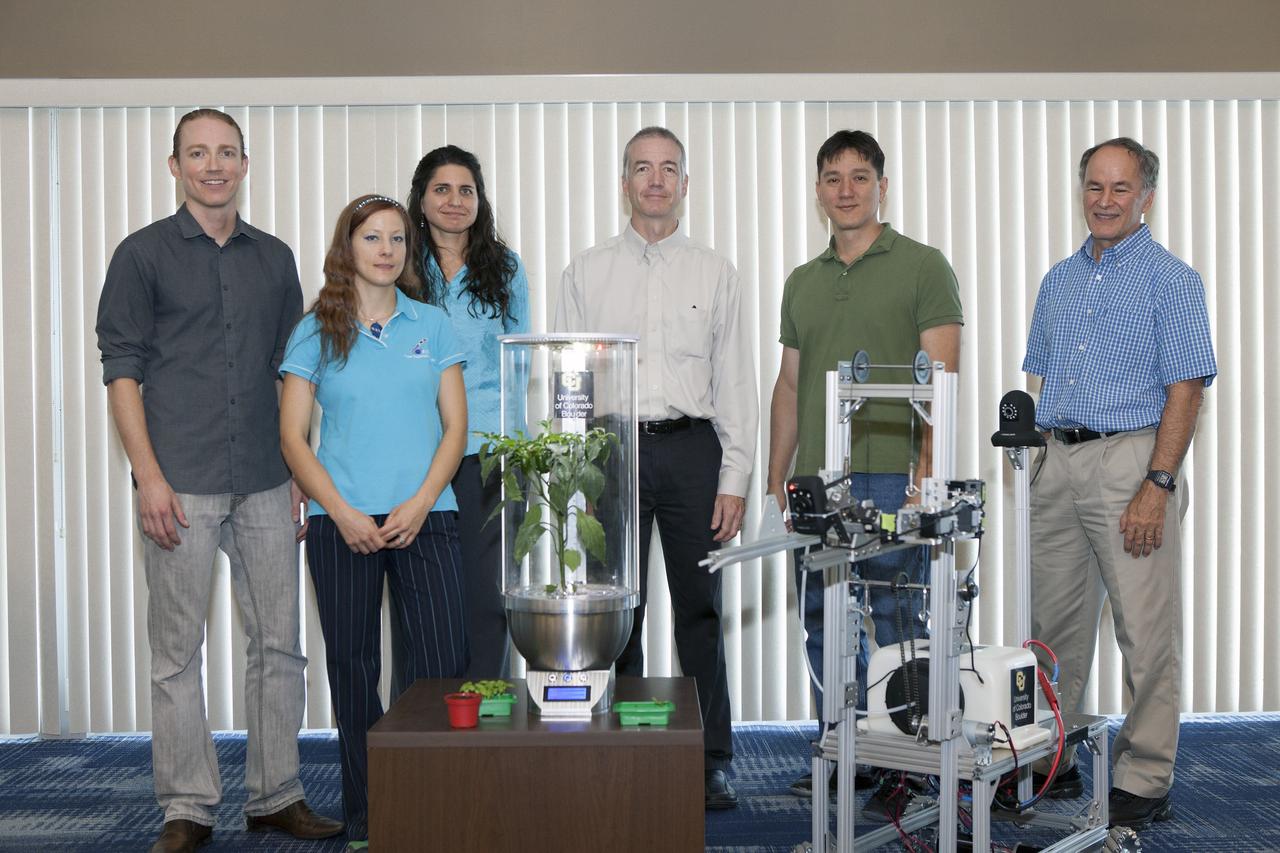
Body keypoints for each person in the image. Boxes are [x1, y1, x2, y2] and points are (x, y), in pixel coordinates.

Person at [95, 108, 342, 853]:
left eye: (226, 152)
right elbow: (123, 373)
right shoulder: (140, 256)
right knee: (177, 654)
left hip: (268, 479)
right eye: (197, 153)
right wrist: (147, 477)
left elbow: (288, 371)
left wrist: (299, 466)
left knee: (280, 646)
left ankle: (276, 795)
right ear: (175, 166)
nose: (213, 165)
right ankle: (187, 806)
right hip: (182, 481)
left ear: (244, 162)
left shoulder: (275, 258)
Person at [553, 126, 757, 810]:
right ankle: (622, 746)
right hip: (613, 451)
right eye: (643, 168)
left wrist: (734, 478)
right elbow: (569, 385)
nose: (656, 180)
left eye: (669, 168)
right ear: (624, 184)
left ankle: (712, 759)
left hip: (694, 449)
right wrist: (574, 480)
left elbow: (735, 383)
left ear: (686, 184)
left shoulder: (715, 271)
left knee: (700, 611)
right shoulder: (585, 272)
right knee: (620, 611)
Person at [1023, 137, 1216, 831]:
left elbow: (1186, 388)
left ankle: (1144, 773)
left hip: (1133, 462)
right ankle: (1052, 754)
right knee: (1051, 629)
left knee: (1145, 630)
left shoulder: (1174, 281)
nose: (1105, 200)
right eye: (1094, 187)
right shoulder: (1058, 280)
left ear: (1146, 198)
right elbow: (1039, 379)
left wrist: (1157, 483)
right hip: (1058, 460)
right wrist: (1039, 461)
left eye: (1120, 188)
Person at [764, 130, 963, 800]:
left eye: (859, 176)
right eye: (832, 177)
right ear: (817, 189)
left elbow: (943, 379)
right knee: (824, 619)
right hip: (820, 481)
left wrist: (923, 481)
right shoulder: (802, 281)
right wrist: (777, 479)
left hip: (891, 474)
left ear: (882, 184)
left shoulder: (923, 266)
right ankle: (845, 752)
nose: (845, 189)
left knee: (898, 621)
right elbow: (789, 385)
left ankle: (913, 757)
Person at [279, 194, 469, 844]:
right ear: (348, 248)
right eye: (372, 238)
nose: (386, 249)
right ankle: (370, 816)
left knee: (442, 668)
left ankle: (436, 811)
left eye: (396, 239)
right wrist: (341, 510)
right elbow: (294, 438)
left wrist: (418, 502)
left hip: (429, 517)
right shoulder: (313, 331)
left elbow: (455, 429)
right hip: (344, 525)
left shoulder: (433, 325)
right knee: (355, 670)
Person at [404, 145, 529, 681]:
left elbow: (519, 363)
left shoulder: (504, 268)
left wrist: (522, 457)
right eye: (442, 189)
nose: (455, 201)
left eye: (467, 190)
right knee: (427, 609)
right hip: (416, 457)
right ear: (422, 199)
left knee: (489, 602)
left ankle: (488, 734)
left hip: (489, 454)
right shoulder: (398, 263)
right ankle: (424, 737)